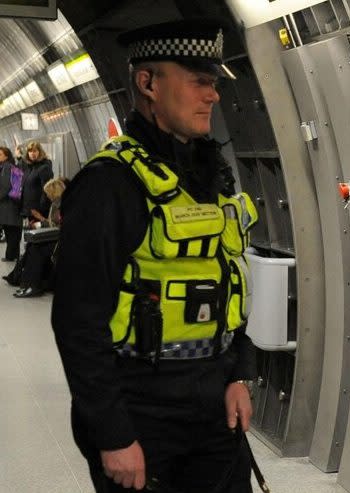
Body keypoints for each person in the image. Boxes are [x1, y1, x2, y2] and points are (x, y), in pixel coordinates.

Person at [52, 19, 260, 492]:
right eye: (200, 82)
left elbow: (228, 279)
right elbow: (77, 323)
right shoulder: (109, 185)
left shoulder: (211, 178)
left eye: (214, 83)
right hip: (141, 410)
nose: (213, 96)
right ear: (148, 84)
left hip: (215, 411)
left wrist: (239, 374)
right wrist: (113, 435)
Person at [12, 177, 67, 298]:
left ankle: (31, 285)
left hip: (61, 241)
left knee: (36, 249)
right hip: (57, 238)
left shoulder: (61, 205)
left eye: (48, 193)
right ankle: (28, 284)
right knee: (32, 246)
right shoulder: (58, 204)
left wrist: (41, 220)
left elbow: (60, 226)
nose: (46, 196)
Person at [21, 141, 54, 227]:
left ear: (40, 152)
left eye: (35, 151)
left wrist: (41, 209)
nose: (32, 154)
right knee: (32, 236)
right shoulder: (29, 168)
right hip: (30, 210)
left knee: (40, 235)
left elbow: (47, 190)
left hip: (39, 211)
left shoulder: (44, 167)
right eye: (30, 151)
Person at [0, 146, 23, 261]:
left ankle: (11, 256)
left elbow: (5, 187)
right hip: (11, 204)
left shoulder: (7, 168)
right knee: (11, 231)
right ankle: (13, 255)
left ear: (6, 156)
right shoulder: (8, 167)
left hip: (10, 205)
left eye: (0, 154)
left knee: (11, 231)